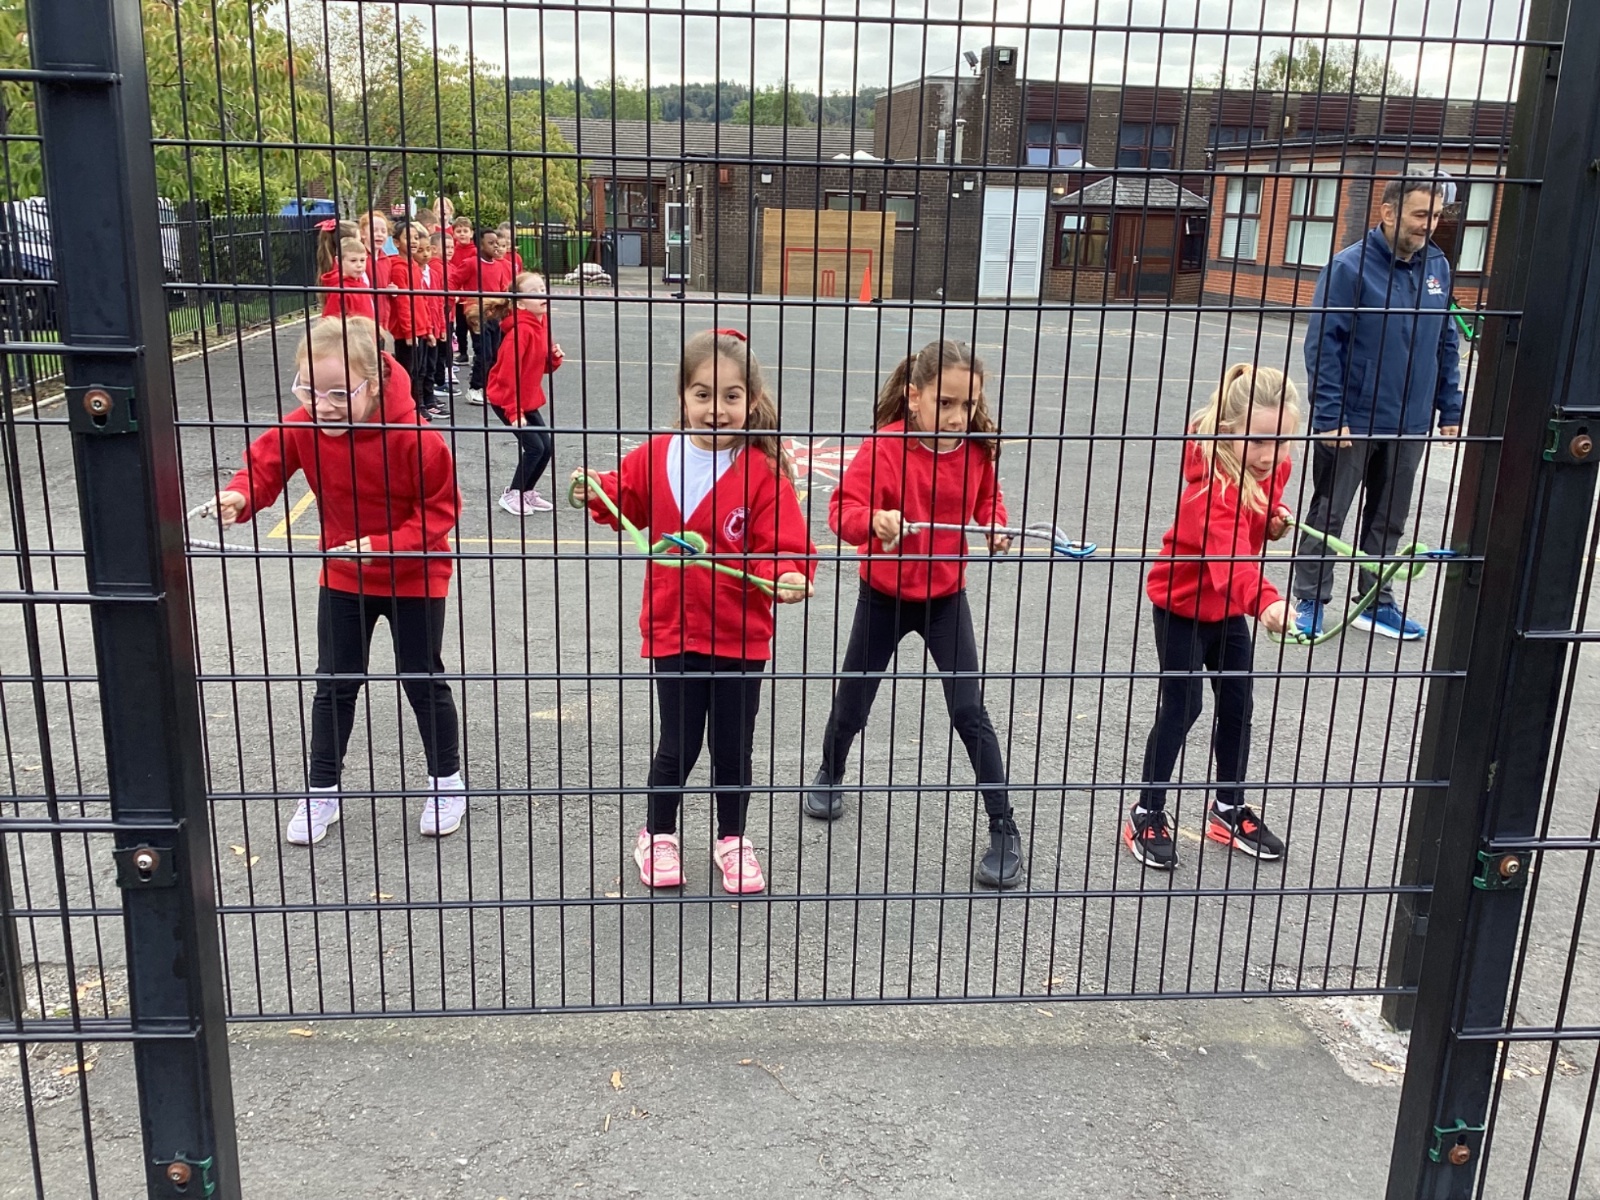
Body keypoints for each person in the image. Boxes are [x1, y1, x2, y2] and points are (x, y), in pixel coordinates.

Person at [571, 329, 816, 895]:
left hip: (739, 633)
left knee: (733, 746)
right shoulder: (657, 455)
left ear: (752, 400)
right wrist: (597, 489)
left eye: (731, 396)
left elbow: (786, 544)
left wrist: (787, 573)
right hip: (674, 628)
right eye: (703, 394)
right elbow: (625, 495)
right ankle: (657, 835)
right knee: (678, 744)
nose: (716, 409)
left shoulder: (763, 471)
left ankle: (733, 839)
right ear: (683, 395)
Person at [209, 316, 467, 846]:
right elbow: (264, 465)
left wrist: (384, 544)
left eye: (337, 393)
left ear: (372, 385)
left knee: (421, 679)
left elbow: (441, 511)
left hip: (414, 575)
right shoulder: (304, 424)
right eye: (308, 389)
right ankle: (322, 790)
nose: (321, 405)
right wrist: (241, 494)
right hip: (345, 573)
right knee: (334, 683)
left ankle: (447, 783)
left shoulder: (417, 439)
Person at [802, 339, 1023, 890]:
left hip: (946, 599)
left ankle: (1004, 824)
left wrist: (995, 526)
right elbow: (841, 510)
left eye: (967, 404)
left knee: (969, 710)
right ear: (914, 396)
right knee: (854, 698)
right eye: (945, 403)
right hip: (883, 594)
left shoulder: (976, 451)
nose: (957, 416)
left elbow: (987, 502)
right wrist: (873, 522)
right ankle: (831, 770)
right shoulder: (884, 446)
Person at [1125, 364, 1301, 871]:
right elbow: (1229, 560)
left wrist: (1270, 522)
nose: (1271, 454)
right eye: (1259, 440)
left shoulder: (1273, 468)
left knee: (1239, 703)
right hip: (1181, 607)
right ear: (1227, 433)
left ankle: (1227, 809)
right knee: (1184, 706)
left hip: (1226, 609)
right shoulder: (1210, 493)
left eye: (1282, 441)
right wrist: (1266, 601)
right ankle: (1146, 812)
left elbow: (1252, 527)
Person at [1293, 166, 1463, 641]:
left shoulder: (1437, 266)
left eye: (1435, 215)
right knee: (1329, 513)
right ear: (1388, 212)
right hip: (1353, 419)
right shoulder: (1347, 268)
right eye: (1420, 214)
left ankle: (1375, 601)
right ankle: (1310, 599)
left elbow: (1446, 340)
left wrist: (1450, 407)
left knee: (1390, 517)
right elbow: (1323, 346)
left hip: (1411, 421)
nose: (1428, 225)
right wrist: (1330, 418)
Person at [486, 271, 563, 514]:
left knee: (546, 447)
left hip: (526, 399)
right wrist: (513, 412)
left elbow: (541, 365)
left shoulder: (541, 323)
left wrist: (554, 358)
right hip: (507, 399)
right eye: (534, 292)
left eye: (543, 289)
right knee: (534, 448)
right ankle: (512, 494)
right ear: (519, 304)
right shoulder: (520, 333)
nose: (542, 294)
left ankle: (527, 492)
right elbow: (507, 377)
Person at [386, 223, 435, 417]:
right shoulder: (399, 268)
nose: (414, 241)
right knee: (409, 371)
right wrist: (408, 331)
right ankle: (409, 408)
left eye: (415, 237)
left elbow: (422, 299)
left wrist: (428, 328)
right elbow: (403, 302)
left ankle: (419, 405)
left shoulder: (414, 266)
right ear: (396, 242)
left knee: (420, 370)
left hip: (420, 326)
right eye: (408, 238)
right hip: (407, 330)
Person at [358, 210, 399, 333]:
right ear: (363, 234)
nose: (379, 234)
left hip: (383, 319)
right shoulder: (359, 259)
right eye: (374, 230)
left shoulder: (386, 260)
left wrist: (393, 291)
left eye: (383, 231)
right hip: (364, 319)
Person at [320, 236, 375, 322]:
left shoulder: (362, 284)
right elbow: (330, 321)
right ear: (338, 261)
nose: (359, 265)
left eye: (362, 260)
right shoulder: (339, 290)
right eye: (353, 260)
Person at [447, 215, 478, 369]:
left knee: (474, 326)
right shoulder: (452, 250)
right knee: (460, 327)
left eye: (465, 231)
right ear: (453, 234)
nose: (462, 234)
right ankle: (463, 352)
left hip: (471, 297)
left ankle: (477, 354)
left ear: (471, 233)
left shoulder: (475, 252)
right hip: (458, 296)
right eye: (459, 231)